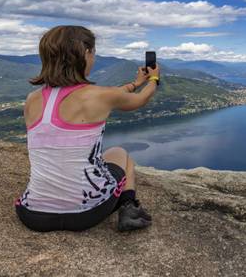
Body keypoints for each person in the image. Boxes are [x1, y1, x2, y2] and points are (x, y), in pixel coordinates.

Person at [14, 25, 160, 232]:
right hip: (86, 214)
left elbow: (112, 94)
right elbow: (140, 100)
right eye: (93, 53)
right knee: (119, 153)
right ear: (86, 53)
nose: (94, 58)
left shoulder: (32, 99)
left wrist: (135, 83)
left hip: (34, 215)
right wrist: (153, 79)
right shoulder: (98, 95)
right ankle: (129, 208)